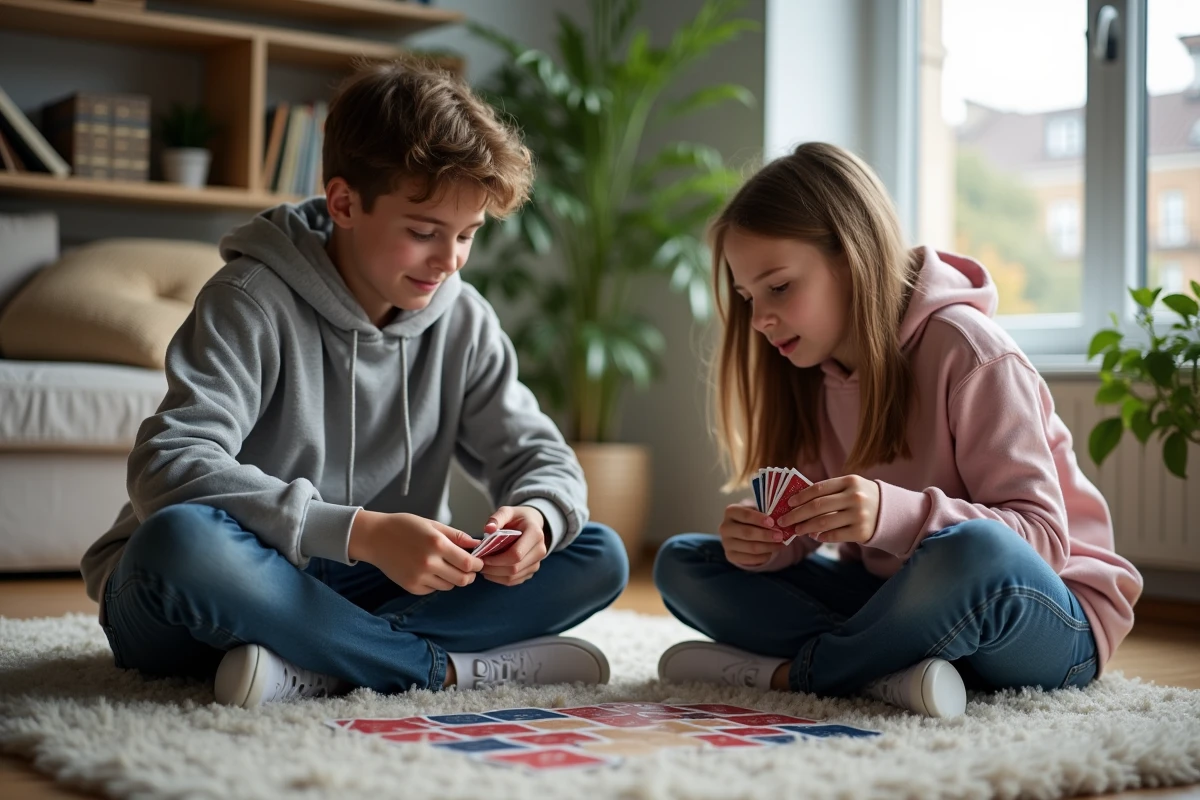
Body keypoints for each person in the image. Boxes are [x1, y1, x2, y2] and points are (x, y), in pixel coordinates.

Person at [80, 60, 628, 708]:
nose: (449, 261)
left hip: (364, 588)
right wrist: (360, 532)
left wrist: (535, 517)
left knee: (594, 551)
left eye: (467, 236)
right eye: (424, 232)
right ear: (344, 203)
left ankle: (316, 660)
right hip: (227, 584)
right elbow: (167, 465)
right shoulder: (249, 299)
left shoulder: (464, 319)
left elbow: (542, 458)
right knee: (177, 543)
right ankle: (428, 666)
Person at [652, 142, 1142, 718]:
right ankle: (896, 667)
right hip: (905, 605)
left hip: (1044, 617)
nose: (759, 319)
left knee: (975, 552)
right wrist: (767, 544)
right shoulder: (811, 368)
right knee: (686, 562)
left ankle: (810, 674)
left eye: (779, 287)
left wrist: (893, 515)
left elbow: (1038, 539)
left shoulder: (971, 352)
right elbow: (812, 528)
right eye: (748, 297)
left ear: (852, 255)